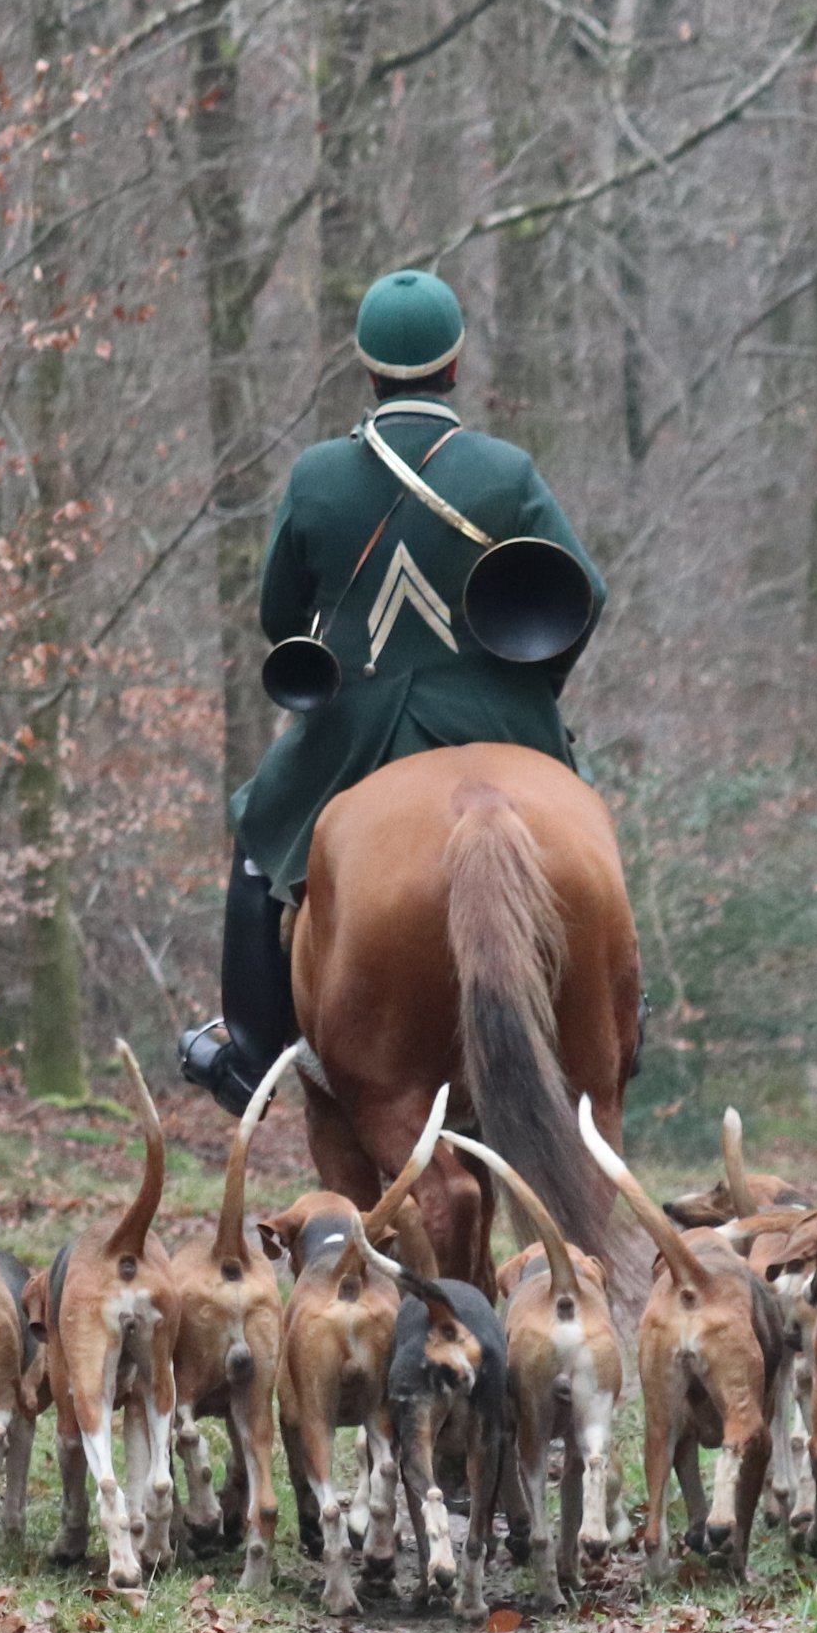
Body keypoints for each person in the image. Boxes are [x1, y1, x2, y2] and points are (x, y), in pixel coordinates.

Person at [179, 268, 602, 1109]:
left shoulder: (318, 475)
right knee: (583, 836)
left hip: (356, 730)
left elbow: (278, 615)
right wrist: (528, 689)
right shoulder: (506, 470)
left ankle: (251, 1049)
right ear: (454, 365)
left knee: (259, 833)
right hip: (497, 716)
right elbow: (582, 595)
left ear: (368, 370)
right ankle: (620, 1004)